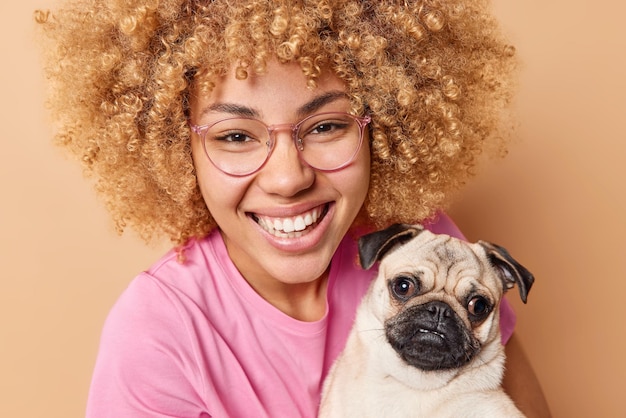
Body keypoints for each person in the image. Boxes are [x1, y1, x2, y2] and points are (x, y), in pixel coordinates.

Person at [35, 0, 550, 417]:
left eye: (326, 126)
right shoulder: (159, 330)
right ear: (176, 149)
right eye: (235, 135)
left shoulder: (423, 242)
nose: (288, 178)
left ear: (382, 126)